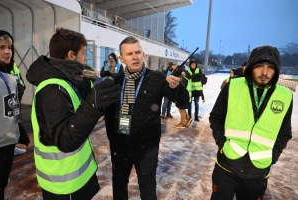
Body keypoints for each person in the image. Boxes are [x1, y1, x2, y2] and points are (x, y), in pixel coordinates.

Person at [26, 27, 120, 200]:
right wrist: (93, 104)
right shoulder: (52, 89)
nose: (86, 58)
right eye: (83, 53)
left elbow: (84, 85)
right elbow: (65, 139)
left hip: (73, 179)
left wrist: (98, 78)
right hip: (64, 184)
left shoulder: (67, 79)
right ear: (70, 55)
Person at [104, 36, 189, 200]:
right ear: (121, 58)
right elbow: (109, 113)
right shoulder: (117, 81)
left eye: (138, 52)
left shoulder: (156, 78)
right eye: (129, 54)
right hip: (120, 145)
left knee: (148, 188)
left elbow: (183, 101)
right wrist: (112, 138)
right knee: (119, 186)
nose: (135, 57)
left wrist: (178, 86)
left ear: (143, 54)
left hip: (147, 147)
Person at [209, 45, 293, 200]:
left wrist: (272, 156)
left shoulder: (285, 96)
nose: (265, 72)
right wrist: (222, 143)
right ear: (251, 67)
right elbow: (216, 117)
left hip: (258, 171)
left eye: (271, 67)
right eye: (260, 66)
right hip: (227, 165)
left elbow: (284, 133)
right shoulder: (232, 86)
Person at [0, 30, 30, 199]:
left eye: (9, 47)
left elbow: (13, 108)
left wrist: (19, 130)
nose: (7, 51)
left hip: (8, 143)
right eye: (1, 47)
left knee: (2, 184)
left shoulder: (10, 76)